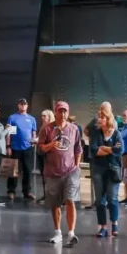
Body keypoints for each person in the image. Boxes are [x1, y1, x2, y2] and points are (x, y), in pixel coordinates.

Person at [38, 101, 83, 246]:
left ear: (68, 113)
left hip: (70, 171)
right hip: (52, 172)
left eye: (65, 111)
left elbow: (78, 149)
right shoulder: (47, 129)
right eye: (60, 111)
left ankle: (71, 233)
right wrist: (51, 145)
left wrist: (77, 166)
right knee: (55, 203)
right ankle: (58, 232)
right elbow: (40, 149)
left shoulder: (74, 129)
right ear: (55, 112)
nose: (63, 114)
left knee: (70, 200)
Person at [87, 102, 124, 238]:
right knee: (99, 200)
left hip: (113, 170)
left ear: (108, 119)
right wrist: (110, 150)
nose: (99, 120)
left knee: (112, 198)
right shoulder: (96, 133)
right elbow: (94, 150)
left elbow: (119, 150)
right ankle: (102, 227)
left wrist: (105, 149)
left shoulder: (117, 134)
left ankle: (114, 223)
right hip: (98, 169)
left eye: (102, 117)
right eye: (99, 117)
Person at [6, 98, 38, 202]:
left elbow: (33, 132)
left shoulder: (31, 119)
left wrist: (33, 142)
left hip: (27, 148)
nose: (23, 106)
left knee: (27, 170)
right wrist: (8, 146)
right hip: (15, 148)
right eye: (21, 104)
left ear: (27, 106)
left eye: (24, 104)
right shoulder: (13, 118)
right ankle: (11, 191)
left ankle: (27, 191)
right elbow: (9, 133)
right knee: (13, 170)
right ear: (18, 105)